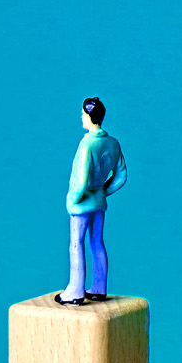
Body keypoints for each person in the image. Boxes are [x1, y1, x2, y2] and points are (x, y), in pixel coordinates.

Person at [56, 96, 127, 306]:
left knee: (76, 244)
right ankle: (99, 287)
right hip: (98, 200)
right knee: (97, 242)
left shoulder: (87, 145)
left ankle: (76, 291)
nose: (81, 116)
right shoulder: (113, 143)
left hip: (82, 204)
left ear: (89, 116)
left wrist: (72, 199)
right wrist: (104, 191)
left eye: (83, 113)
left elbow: (81, 180)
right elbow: (121, 176)